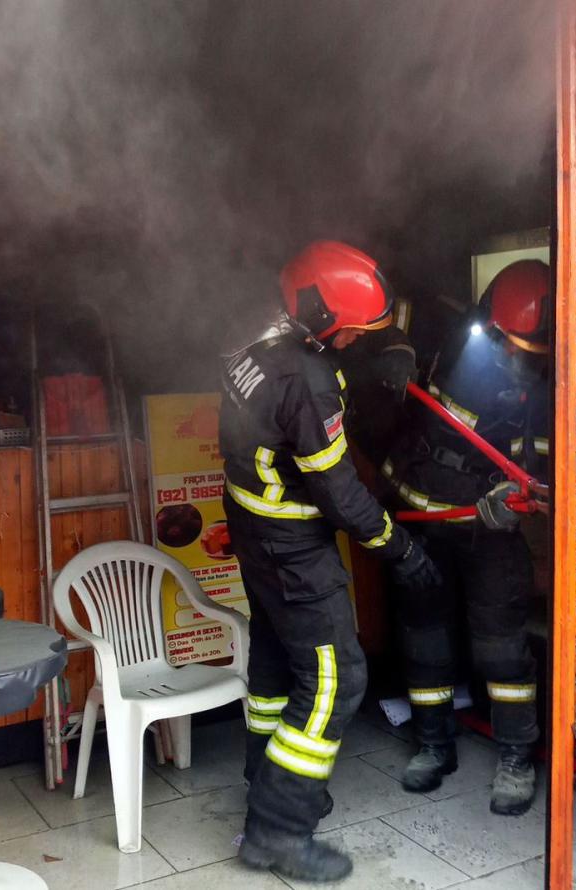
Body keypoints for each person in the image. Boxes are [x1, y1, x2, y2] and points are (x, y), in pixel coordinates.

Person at [220, 240, 440, 881]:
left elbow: (283, 416)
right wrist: (399, 548)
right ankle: (278, 831)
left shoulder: (252, 341)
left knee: (273, 661)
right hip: (292, 549)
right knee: (335, 679)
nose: (354, 342)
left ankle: (265, 780)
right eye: (351, 332)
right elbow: (340, 493)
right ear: (319, 317)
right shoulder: (308, 379)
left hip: (254, 531)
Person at [380, 259, 550, 816]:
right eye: (514, 348)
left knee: (501, 646)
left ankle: (517, 757)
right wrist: (390, 355)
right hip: (420, 516)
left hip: (489, 528)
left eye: (533, 354)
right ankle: (434, 744)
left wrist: (517, 496)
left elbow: (544, 465)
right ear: (491, 325)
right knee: (424, 637)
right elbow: (385, 315)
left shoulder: (551, 380)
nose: (521, 363)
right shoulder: (446, 333)